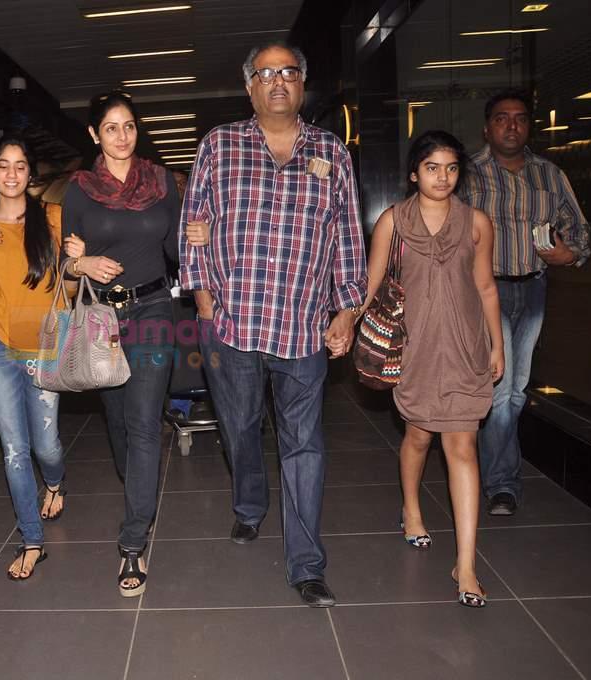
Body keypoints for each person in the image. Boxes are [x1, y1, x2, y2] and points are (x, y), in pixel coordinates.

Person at [180, 43, 366, 608]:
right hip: (233, 323)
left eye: (289, 72)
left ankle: (306, 566)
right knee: (240, 429)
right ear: (250, 86)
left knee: (303, 444)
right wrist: (206, 302)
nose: (278, 81)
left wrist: (347, 308)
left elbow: (348, 236)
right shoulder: (219, 145)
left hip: (303, 328)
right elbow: (196, 222)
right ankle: (249, 505)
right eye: (267, 73)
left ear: (303, 83)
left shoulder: (331, 151)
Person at [363, 130, 504, 607]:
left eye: (450, 168)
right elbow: (372, 282)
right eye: (431, 167)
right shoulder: (393, 222)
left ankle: (465, 564)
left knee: (462, 447)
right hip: (416, 350)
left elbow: (485, 286)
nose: (442, 177)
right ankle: (411, 508)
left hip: (465, 348)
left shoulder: (477, 222)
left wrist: (496, 345)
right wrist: (346, 324)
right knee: (419, 438)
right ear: (413, 173)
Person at [61, 91, 180, 597]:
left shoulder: (163, 182)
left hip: (154, 309)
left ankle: (133, 541)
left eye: (129, 125)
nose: (122, 136)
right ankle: (138, 492)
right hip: (101, 318)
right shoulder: (80, 190)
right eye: (110, 128)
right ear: (95, 135)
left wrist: (197, 238)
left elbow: (176, 250)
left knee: (144, 421)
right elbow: (66, 263)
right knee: (119, 425)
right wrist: (82, 264)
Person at [0, 137, 84, 580]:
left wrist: (77, 261)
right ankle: (31, 539)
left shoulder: (53, 219)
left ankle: (57, 481)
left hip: (42, 337)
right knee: (13, 448)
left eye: (20, 166)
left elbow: (70, 282)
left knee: (46, 445)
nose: (11, 174)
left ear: (30, 176)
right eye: (3, 165)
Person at [462, 90, 590, 516]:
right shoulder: (467, 175)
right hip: (484, 293)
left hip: (532, 289)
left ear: (529, 126)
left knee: (516, 391)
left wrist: (567, 254)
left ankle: (486, 464)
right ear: (487, 127)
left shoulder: (550, 175)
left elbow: (579, 230)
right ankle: (502, 485)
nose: (511, 126)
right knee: (499, 391)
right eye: (502, 118)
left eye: (519, 118)